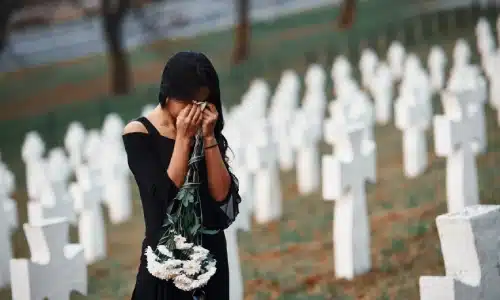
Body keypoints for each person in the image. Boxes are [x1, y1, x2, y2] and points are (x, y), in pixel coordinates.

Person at [122, 51, 241, 299]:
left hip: (211, 259)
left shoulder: (204, 128)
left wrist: (208, 138)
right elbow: (165, 197)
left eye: (201, 103)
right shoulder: (139, 133)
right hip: (167, 262)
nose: (193, 111)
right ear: (168, 94)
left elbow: (223, 200)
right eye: (186, 103)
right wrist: (184, 138)